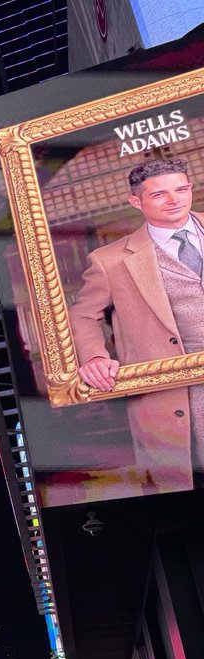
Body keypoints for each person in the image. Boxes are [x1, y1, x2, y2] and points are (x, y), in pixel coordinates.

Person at [70, 158, 204, 492]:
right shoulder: (110, 260)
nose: (174, 199)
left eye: (181, 189)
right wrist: (95, 357)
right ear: (136, 201)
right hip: (172, 398)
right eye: (159, 194)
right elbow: (83, 315)